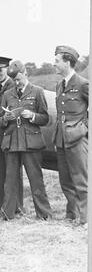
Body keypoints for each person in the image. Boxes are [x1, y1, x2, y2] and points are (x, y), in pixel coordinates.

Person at [0, 60, 52, 220]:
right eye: (14, 80)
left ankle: (44, 215)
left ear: (26, 74)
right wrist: (6, 118)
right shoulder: (7, 94)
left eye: (19, 79)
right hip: (13, 143)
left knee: (36, 180)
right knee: (10, 181)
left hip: (31, 144)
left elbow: (45, 118)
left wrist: (33, 116)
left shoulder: (37, 91)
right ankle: (8, 215)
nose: (16, 82)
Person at [53, 45, 88, 226]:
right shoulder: (59, 85)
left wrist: (84, 129)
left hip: (77, 138)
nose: (54, 64)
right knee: (65, 180)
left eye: (57, 61)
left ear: (67, 62)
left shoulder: (83, 84)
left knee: (81, 180)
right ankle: (72, 214)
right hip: (61, 139)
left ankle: (86, 219)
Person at [0, 56, 24, 213]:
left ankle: (17, 206)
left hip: (11, 136)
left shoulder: (14, 85)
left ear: (7, 70)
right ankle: (1, 206)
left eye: (0, 70)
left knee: (13, 173)